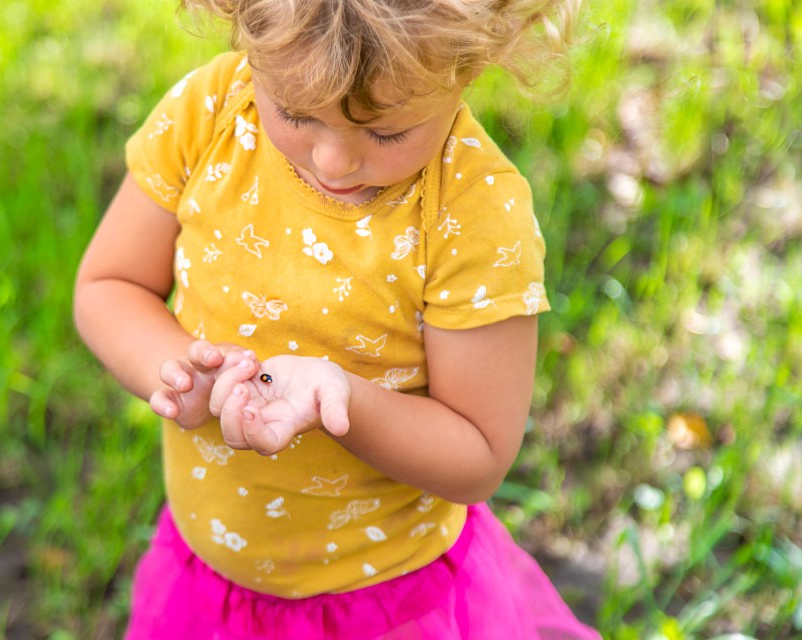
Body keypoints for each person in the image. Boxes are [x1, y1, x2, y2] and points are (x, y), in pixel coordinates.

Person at [74, 0, 599, 637]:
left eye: (384, 132)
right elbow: (110, 284)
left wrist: (342, 400)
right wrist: (178, 373)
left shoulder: (474, 215)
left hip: (387, 602)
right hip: (207, 582)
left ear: (467, 66)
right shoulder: (212, 112)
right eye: (296, 113)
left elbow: (479, 453)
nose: (332, 161)